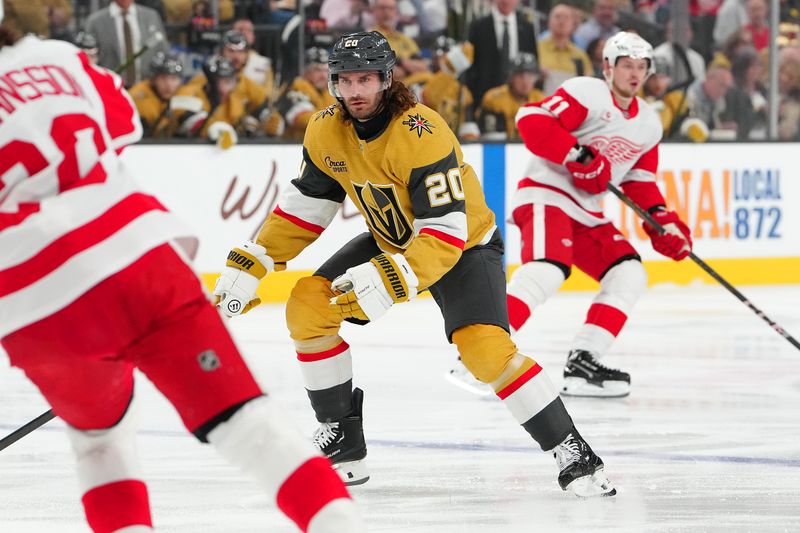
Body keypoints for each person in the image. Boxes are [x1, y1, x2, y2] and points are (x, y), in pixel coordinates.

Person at [0, 4, 364, 533]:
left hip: (32, 302)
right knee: (247, 425)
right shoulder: (56, 56)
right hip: (136, 257)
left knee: (99, 449)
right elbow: (122, 124)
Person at [213, 30, 617, 498]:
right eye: (346, 80)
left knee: (485, 352)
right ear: (333, 84)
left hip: (463, 246)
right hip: (394, 241)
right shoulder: (325, 129)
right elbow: (305, 207)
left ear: (386, 80)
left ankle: (572, 449)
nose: (356, 91)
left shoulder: (421, 131)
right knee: (307, 305)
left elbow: (444, 231)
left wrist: (392, 278)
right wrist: (255, 261)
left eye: (366, 79)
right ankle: (342, 439)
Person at [504, 31, 692, 398]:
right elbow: (530, 119)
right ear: (608, 67)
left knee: (629, 272)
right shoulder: (587, 92)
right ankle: (485, 348)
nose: (634, 74)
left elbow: (640, 180)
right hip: (546, 194)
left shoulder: (650, 124)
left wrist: (661, 220)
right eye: (626, 65)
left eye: (642, 67)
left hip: (587, 213)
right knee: (547, 267)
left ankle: (584, 362)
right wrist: (577, 155)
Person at [85, 0, 169, 87]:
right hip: (110, 88)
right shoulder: (95, 21)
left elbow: (163, 51)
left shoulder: (151, 16)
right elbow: (89, 60)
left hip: (146, 89)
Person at [270, 46, 337, 140]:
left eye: (326, 70)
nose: (323, 75)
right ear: (306, 70)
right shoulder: (296, 87)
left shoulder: (327, 92)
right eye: (317, 70)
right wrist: (336, 122)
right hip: (294, 147)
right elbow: (303, 119)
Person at [478, 52, 545, 140]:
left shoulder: (540, 99)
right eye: (520, 76)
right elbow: (492, 139)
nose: (525, 81)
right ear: (511, 77)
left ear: (536, 78)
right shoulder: (494, 98)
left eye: (530, 75)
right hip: (502, 149)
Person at [129, 51, 185, 137]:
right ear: (153, 79)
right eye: (163, 78)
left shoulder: (184, 94)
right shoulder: (138, 97)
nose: (168, 84)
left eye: (174, 78)